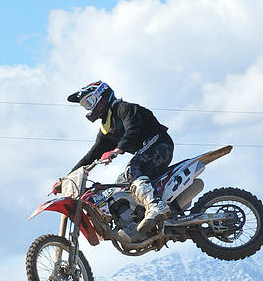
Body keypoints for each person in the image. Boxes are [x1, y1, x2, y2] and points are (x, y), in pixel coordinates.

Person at [56, 81, 174, 235]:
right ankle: (137, 219)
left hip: (160, 144)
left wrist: (118, 149)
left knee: (132, 169)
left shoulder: (124, 109)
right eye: (84, 105)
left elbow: (132, 131)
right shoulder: (107, 128)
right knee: (120, 184)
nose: (88, 107)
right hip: (147, 155)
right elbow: (92, 155)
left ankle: (155, 205)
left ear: (102, 96)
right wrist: (67, 178)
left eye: (89, 101)